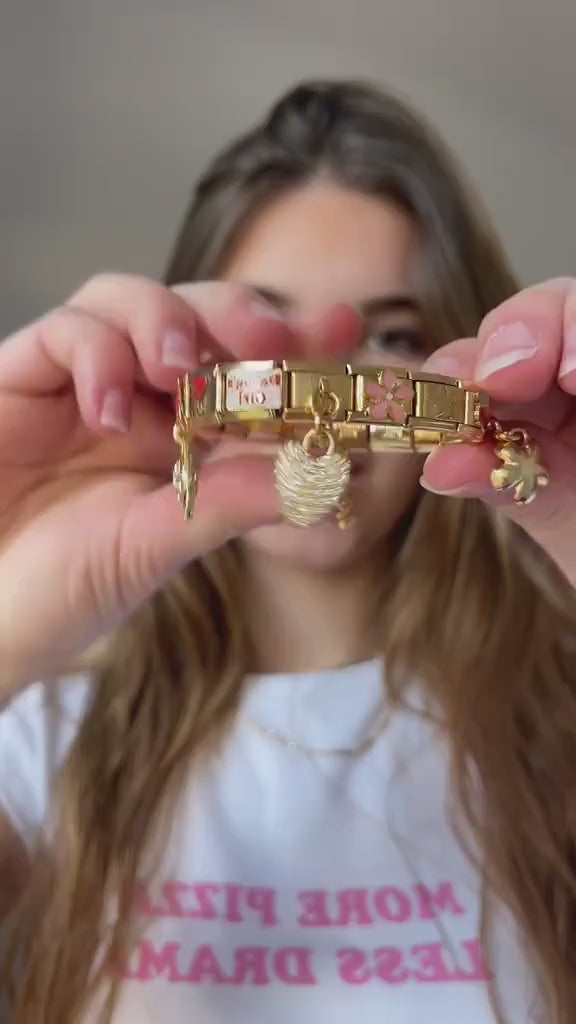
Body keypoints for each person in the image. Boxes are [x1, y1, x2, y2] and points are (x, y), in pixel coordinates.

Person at [0, 79, 575, 1024]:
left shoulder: (559, 720)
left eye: (391, 334)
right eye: (270, 336)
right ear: (182, 365)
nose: (322, 398)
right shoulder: (45, 735)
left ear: (461, 371)